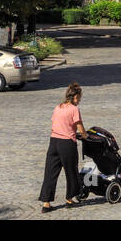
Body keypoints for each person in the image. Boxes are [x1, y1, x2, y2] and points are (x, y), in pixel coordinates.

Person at [39, 82, 88, 213]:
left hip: (54, 142)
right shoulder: (74, 109)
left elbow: (55, 123)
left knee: (50, 172)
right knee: (71, 171)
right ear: (76, 97)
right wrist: (85, 135)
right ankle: (69, 199)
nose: (80, 101)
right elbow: (80, 127)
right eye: (80, 98)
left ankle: (46, 203)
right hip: (67, 144)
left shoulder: (58, 107)